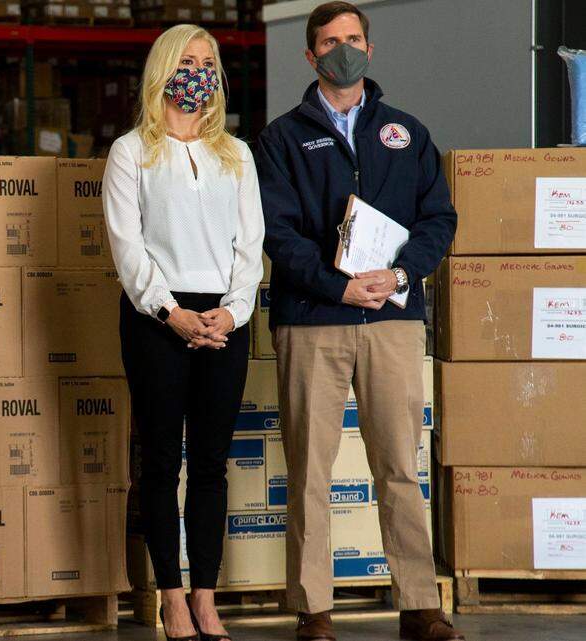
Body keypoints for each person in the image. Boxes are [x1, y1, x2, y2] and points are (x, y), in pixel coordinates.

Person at [253, 3, 461, 641]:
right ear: (310, 55)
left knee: (400, 463)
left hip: (394, 317)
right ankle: (314, 609)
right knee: (310, 467)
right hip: (313, 319)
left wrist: (399, 278)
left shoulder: (407, 131)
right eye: (329, 42)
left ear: (369, 48)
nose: (343, 49)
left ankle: (419, 604)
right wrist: (339, 285)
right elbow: (277, 234)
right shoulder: (282, 138)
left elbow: (438, 220)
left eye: (352, 39)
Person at [104, 23, 264, 641]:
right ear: (164, 69)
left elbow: (251, 246)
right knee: (162, 460)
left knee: (212, 466)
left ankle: (205, 597)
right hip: (156, 320)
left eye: (209, 61)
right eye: (187, 59)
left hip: (225, 319)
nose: (199, 69)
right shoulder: (131, 152)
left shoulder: (236, 154)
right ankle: (170, 596)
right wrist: (169, 312)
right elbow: (127, 245)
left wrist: (233, 311)